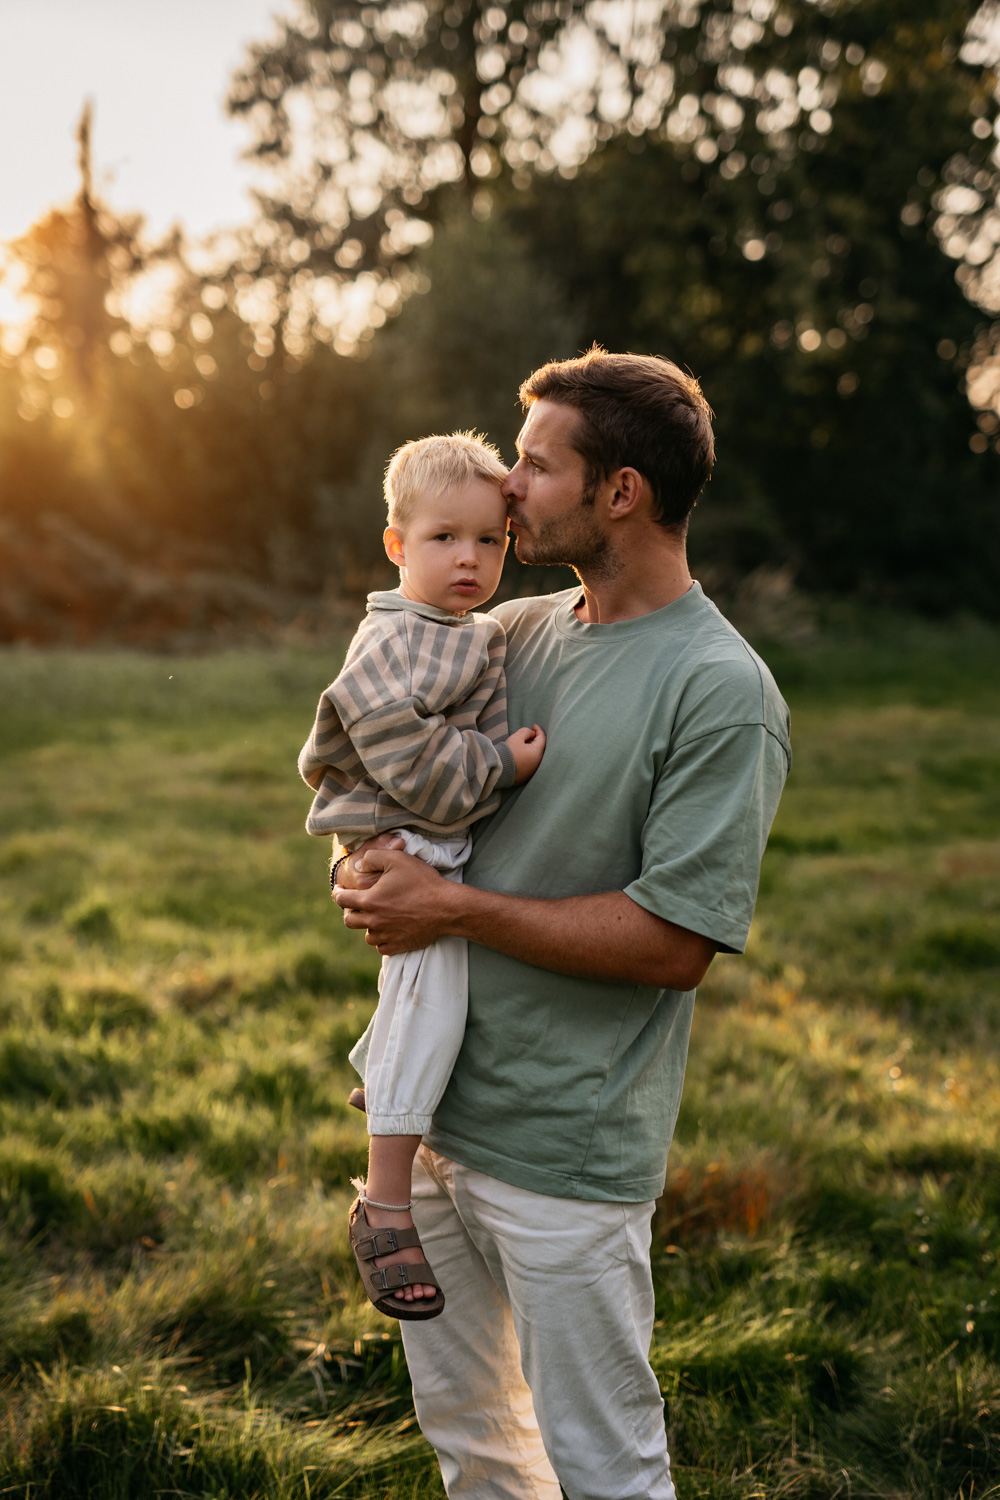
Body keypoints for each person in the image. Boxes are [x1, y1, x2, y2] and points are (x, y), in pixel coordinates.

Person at [335, 349, 791, 1500]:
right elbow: (388, 748)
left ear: (619, 492)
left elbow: (672, 945)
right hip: (435, 1124)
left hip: (564, 1156)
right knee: (474, 1443)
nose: (508, 488)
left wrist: (448, 907)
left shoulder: (718, 689)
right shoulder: (513, 631)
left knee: (605, 1471)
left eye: (535, 465)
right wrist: (372, 870)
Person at [298, 433, 545, 1321]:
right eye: (445, 538)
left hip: (423, 839)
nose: (471, 559)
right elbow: (407, 759)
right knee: (434, 987)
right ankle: (385, 1199)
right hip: (396, 837)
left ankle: (387, 1066)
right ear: (397, 544)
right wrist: (498, 767)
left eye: (490, 540)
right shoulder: (394, 640)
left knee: (431, 994)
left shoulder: (461, 630)